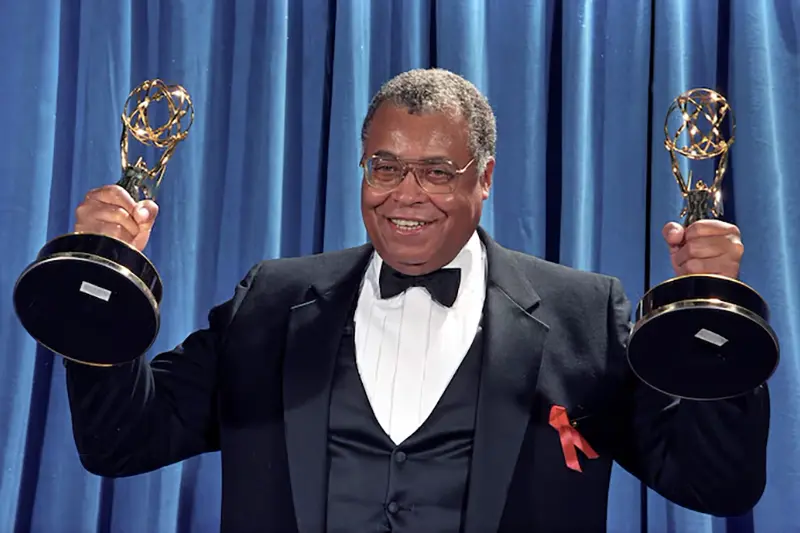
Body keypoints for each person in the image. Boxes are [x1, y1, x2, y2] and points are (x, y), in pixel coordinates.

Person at [66, 68, 769, 533]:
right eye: (386, 166)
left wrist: (717, 313)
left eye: (438, 171)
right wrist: (101, 285)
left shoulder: (584, 313)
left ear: (484, 178)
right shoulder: (270, 301)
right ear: (363, 167)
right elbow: (122, 439)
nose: (406, 193)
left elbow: (716, 484)